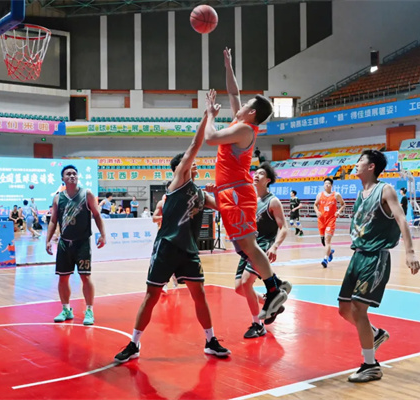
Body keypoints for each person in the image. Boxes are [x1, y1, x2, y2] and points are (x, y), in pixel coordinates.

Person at [114, 91, 230, 363]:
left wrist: (222, 192)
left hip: (188, 250)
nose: (193, 164)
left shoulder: (200, 194)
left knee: (199, 295)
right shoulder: (178, 183)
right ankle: (134, 344)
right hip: (166, 247)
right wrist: (208, 116)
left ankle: (210, 340)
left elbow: (224, 208)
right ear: (180, 168)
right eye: (188, 163)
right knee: (152, 295)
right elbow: (194, 145)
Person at [203, 47, 289, 321]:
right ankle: (275, 285)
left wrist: (210, 115)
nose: (238, 105)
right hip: (231, 193)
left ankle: (273, 289)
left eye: (244, 105)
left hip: (238, 193)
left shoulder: (243, 129)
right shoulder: (241, 122)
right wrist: (228, 66)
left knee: (249, 246)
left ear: (251, 113)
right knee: (243, 247)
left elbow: (210, 138)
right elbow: (233, 93)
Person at [338, 150, 420, 383]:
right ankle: (375, 334)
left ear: (371, 166)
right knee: (344, 309)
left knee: (358, 309)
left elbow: (401, 219)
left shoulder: (385, 190)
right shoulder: (360, 194)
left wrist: (410, 251)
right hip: (358, 255)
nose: (356, 164)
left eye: (360, 161)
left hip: (376, 256)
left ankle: (371, 365)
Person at [232, 162, 290, 338]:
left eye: (261, 173)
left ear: (268, 180)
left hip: (263, 246)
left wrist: (275, 246)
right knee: (239, 288)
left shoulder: (273, 201)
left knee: (246, 283)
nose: (256, 175)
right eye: (255, 173)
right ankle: (272, 302)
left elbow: (284, 228)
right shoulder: (251, 200)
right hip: (248, 245)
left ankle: (257, 325)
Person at [46, 165, 106, 326]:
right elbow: (53, 221)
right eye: (68, 174)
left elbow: (97, 215)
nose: (72, 176)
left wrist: (103, 235)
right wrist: (48, 240)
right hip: (64, 243)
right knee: (63, 277)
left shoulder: (86, 194)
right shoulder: (58, 198)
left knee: (85, 276)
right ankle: (66, 309)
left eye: (74, 173)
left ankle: (89, 310)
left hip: (82, 243)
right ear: (63, 179)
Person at [314, 177, 346, 268]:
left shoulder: (336, 195)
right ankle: (330, 251)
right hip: (321, 220)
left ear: (331, 185)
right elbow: (315, 205)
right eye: (325, 184)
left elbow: (343, 204)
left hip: (331, 220)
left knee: (327, 239)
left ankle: (325, 259)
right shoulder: (320, 195)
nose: (326, 185)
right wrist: (317, 211)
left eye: (328, 183)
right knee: (323, 241)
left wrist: (339, 211)